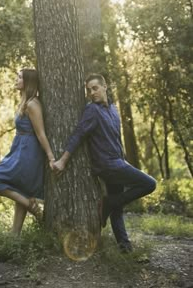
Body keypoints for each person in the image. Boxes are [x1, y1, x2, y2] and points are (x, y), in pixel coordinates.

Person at [53, 73, 156, 253]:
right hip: (107, 165)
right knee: (150, 184)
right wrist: (62, 160)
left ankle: (125, 247)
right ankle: (108, 203)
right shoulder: (92, 110)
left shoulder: (114, 110)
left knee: (117, 209)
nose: (92, 93)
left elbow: (115, 139)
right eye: (88, 90)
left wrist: (123, 157)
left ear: (104, 87)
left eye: (95, 88)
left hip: (118, 162)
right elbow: (78, 134)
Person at [0, 68, 55, 235]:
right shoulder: (25, 102)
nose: (16, 79)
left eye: (20, 77)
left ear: (28, 82)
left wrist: (51, 157)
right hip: (19, 150)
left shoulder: (32, 104)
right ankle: (14, 237)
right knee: (20, 191)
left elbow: (41, 133)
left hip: (28, 153)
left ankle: (32, 206)